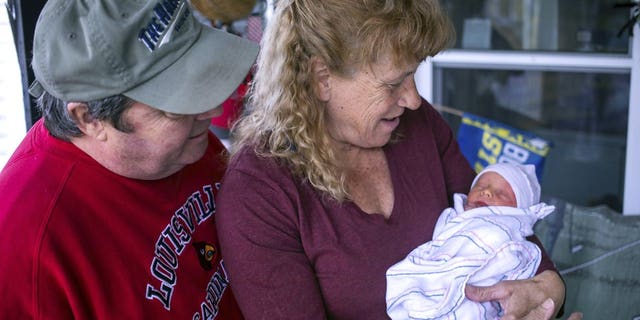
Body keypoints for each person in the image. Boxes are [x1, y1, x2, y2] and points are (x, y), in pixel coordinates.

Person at [215, 0, 572, 319]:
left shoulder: (418, 127)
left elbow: (508, 229)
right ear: (321, 78)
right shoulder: (260, 192)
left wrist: (548, 292)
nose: (414, 100)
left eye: (413, 73)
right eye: (394, 82)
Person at [0, 0, 258, 318]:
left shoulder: (180, 138)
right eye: (177, 101)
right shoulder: (27, 249)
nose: (214, 110)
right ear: (89, 118)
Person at [386, 163, 556, 319]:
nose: (487, 192)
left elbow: (520, 270)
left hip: (477, 297)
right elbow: (438, 246)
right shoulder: (453, 217)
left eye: (501, 194)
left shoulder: (508, 234)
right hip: (439, 283)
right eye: (480, 186)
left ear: (519, 212)